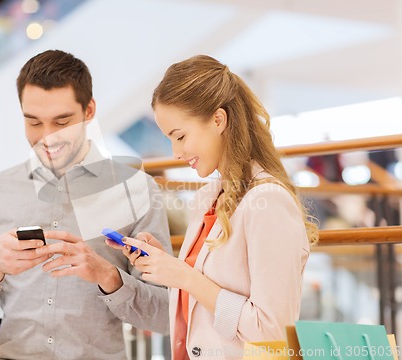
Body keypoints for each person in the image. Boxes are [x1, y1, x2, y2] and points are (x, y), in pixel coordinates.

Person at [0, 50, 172, 359]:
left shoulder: (136, 191)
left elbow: (166, 316)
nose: (48, 138)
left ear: (89, 110)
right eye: (34, 122)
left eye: (62, 121)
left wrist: (108, 276)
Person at [115, 55, 319, 359]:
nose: (176, 152)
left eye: (181, 136)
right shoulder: (209, 196)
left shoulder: (268, 202)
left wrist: (186, 277)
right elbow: (203, 301)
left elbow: (273, 333)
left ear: (218, 119)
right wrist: (168, 266)